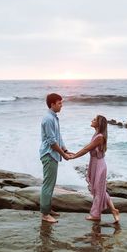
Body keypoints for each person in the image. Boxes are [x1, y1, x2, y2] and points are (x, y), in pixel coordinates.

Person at [70, 115, 120, 223]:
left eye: (94, 120)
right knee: (100, 189)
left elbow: (87, 148)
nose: (92, 120)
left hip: (99, 165)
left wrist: (74, 156)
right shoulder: (96, 135)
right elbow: (87, 148)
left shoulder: (99, 137)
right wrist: (74, 154)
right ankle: (114, 210)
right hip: (95, 163)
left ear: (99, 123)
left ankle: (96, 215)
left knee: (98, 190)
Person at [39, 93, 72, 223]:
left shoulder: (53, 118)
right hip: (49, 154)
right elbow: (52, 142)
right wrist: (63, 155)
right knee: (48, 185)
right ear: (52, 104)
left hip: (53, 154)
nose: (61, 105)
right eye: (60, 103)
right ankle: (45, 214)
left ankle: (48, 209)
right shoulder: (48, 119)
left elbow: (59, 136)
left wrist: (65, 150)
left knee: (51, 184)